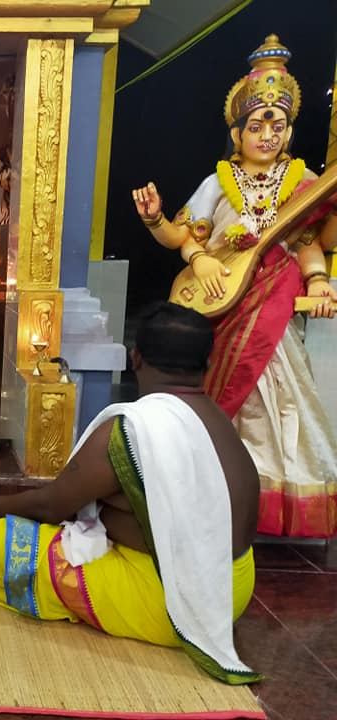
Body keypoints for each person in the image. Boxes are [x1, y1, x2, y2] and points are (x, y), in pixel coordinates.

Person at [0, 302, 261, 685]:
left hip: (173, 602)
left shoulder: (133, 431)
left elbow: (51, 506)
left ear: (136, 358)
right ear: (208, 364)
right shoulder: (220, 423)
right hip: (234, 590)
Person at [131, 35, 337, 538]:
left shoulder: (303, 182)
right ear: (237, 132)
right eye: (257, 125)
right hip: (220, 308)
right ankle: (206, 495)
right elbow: (182, 236)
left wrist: (318, 280)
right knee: (211, 392)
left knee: (278, 401)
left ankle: (265, 506)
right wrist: (166, 228)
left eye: (277, 126)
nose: (267, 135)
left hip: (274, 316)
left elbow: (309, 242)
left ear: (289, 132)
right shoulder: (218, 181)